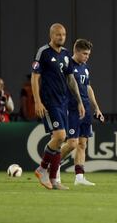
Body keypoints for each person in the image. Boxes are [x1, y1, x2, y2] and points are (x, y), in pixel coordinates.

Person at [32, 23, 85, 190]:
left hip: (64, 103)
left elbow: (70, 79)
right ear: (51, 36)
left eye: (63, 34)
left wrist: (79, 101)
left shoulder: (66, 54)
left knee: (59, 140)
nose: (61, 37)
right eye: (58, 35)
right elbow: (35, 77)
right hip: (50, 102)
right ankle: (42, 168)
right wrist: (37, 101)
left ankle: (54, 180)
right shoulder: (44, 53)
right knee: (61, 136)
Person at [57, 39, 104, 186]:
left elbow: (88, 87)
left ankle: (79, 177)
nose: (87, 56)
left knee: (82, 144)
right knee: (72, 144)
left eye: (88, 54)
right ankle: (53, 165)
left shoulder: (85, 66)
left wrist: (96, 107)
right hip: (72, 109)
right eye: (84, 53)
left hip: (86, 110)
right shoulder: (67, 66)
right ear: (75, 51)